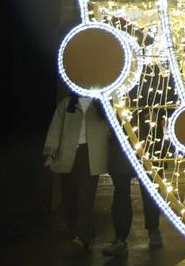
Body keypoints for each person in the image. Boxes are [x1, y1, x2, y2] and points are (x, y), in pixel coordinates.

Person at [44, 94, 109, 251]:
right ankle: (80, 231)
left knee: (85, 195)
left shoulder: (101, 103)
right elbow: (56, 128)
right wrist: (50, 153)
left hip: (91, 154)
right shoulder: (67, 104)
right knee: (69, 195)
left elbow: (111, 129)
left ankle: (82, 236)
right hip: (69, 153)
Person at [101, 129, 163, 256]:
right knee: (121, 195)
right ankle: (120, 238)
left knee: (150, 191)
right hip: (121, 145)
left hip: (148, 143)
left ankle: (153, 229)